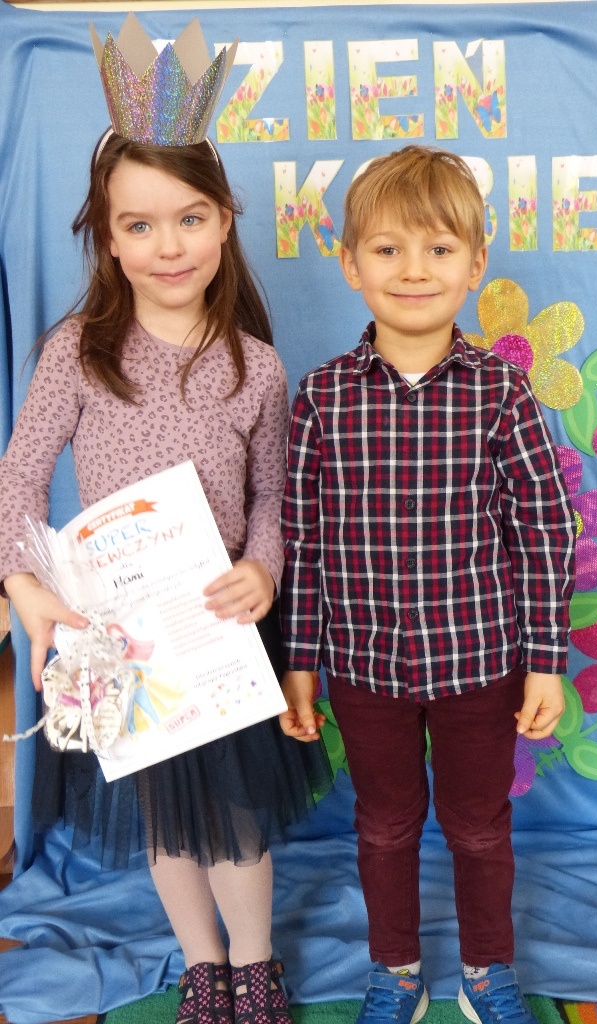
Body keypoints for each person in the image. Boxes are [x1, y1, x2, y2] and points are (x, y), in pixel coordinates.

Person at [0, 17, 330, 1024]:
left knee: (235, 815)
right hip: (119, 634)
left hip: (219, 625)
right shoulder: (78, 352)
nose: (167, 244)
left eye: (188, 218)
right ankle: (203, 965)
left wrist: (263, 570)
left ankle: (256, 965)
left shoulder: (255, 366)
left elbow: (274, 498)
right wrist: (26, 590)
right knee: (163, 820)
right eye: (138, 225)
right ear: (107, 236)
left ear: (225, 219)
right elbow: (17, 483)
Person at [279, 145, 575, 1024]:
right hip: (363, 668)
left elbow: (543, 529)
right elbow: (303, 541)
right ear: (349, 263)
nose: (413, 270)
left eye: (439, 249)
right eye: (388, 249)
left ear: (474, 264)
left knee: (479, 825)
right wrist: (301, 664)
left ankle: (486, 971)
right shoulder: (322, 397)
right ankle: (395, 970)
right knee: (382, 824)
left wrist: (544, 662)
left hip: (479, 663)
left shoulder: (501, 393)